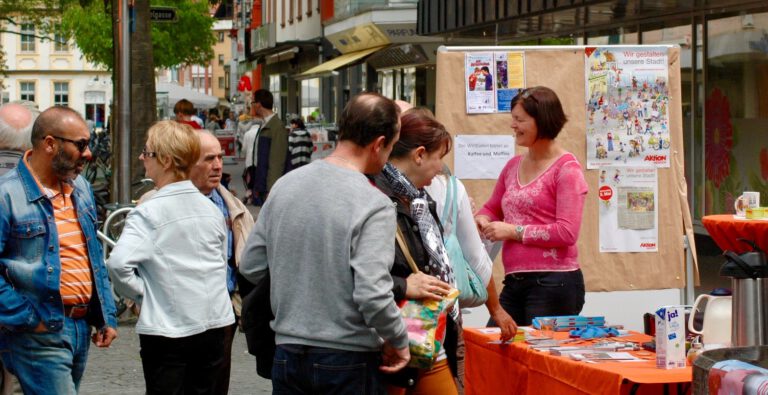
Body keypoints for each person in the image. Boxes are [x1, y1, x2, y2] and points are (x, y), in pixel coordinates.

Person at [239, 92, 410, 393]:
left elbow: (252, 265)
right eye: (391, 148)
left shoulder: (285, 186)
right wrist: (399, 338)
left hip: (287, 351)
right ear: (379, 144)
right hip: (347, 357)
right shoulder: (373, 203)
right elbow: (372, 293)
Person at [107, 121, 235, 394]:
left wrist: (145, 295)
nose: (142, 158)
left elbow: (118, 264)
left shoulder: (149, 212)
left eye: (147, 152)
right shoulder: (210, 208)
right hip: (214, 323)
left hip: (170, 330)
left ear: (165, 160)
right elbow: (218, 263)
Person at [0, 106, 118, 394]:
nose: (88, 153)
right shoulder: (7, 194)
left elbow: (93, 258)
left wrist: (106, 315)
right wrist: (28, 318)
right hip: (39, 331)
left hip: (79, 328)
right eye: (81, 145)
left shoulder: (81, 188)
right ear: (50, 144)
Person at [475, 86, 588, 326]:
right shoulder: (512, 166)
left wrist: (513, 231)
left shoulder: (567, 170)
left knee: (538, 358)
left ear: (542, 121)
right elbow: (492, 208)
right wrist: (481, 219)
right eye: (512, 119)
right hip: (514, 281)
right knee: (498, 346)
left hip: (554, 283)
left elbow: (567, 232)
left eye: (519, 120)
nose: (512, 125)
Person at [373, 110, 461, 394]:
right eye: (440, 158)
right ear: (420, 154)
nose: (440, 169)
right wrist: (404, 286)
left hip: (426, 328)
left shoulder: (418, 199)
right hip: (393, 334)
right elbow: (361, 274)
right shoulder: (378, 200)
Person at [189, 130, 254, 394]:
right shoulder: (164, 203)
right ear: (188, 162)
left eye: (220, 157)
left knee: (217, 385)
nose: (217, 165)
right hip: (183, 314)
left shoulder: (232, 205)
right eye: (208, 159)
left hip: (224, 312)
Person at [250, 89, 289, 204]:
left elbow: (276, 162)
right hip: (263, 186)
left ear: (258, 104)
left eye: (252, 103)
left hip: (270, 190)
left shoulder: (277, 127)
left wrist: (271, 190)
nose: (252, 106)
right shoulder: (266, 124)